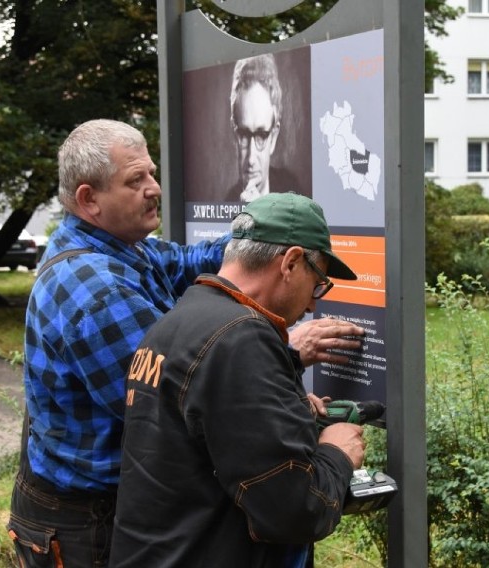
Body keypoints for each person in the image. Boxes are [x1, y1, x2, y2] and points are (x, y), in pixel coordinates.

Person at [6, 120, 363, 567]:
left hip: (109, 502)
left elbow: (193, 260)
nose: (154, 188)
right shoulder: (96, 289)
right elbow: (166, 402)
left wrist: (267, 234)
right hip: (86, 519)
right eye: (135, 180)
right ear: (88, 199)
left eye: (152, 173)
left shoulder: (128, 250)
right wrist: (277, 364)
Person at [110, 193, 366, 567]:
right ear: (291, 262)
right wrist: (337, 453)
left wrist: (287, 406)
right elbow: (293, 510)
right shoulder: (242, 339)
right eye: (317, 283)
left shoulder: (180, 318)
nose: (313, 305)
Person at [225, 53, 303, 203]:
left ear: (273, 138)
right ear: (235, 137)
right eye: (244, 135)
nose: (251, 159)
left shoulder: (295, 193)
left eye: (261, 135)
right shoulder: (226, 203)